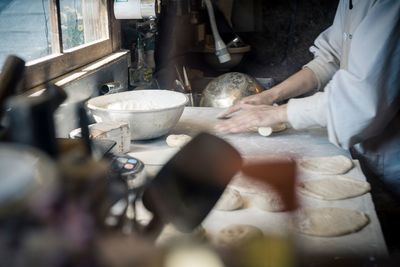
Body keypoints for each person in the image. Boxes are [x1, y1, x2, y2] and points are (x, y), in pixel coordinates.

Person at [215, 0, 400, 198]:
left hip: (393, 162)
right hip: (367, 153)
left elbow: (360, 99)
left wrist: (280, 113)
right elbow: (331, 57)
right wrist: (269, 96)